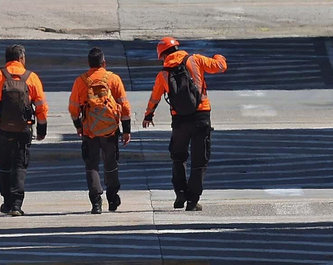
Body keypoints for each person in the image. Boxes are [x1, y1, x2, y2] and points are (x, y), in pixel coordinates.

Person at [142, 36, 227, 211]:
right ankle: (193, 201)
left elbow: (155, 97)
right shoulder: (195, 60)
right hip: (201, 116)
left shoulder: (163, 74)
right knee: (199, 160)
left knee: (178, 157)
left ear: (163, 56)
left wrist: (148, 115)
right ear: (177, 48)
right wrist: (220, 56)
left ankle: (180, 194)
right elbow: (220, 66)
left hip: (179, 120)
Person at [0, 44, 48, 216]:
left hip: (2, 129)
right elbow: (41, 106)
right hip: (23, 129)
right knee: (19, 165)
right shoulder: (32, 78)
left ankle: (6, 202)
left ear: (6, 59)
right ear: (21, 58)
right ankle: (17, 204)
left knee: (3, 166)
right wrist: (42, 128)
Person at [68, 46, 133, 214]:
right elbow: (124, 106)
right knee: (111, 163)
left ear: (88, 63)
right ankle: (112, 198)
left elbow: (73, 108)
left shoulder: (80, 81)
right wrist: (126, 130)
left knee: (92, 166)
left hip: (89, 130)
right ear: (104, 63)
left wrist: (78, 127)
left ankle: (96, 203)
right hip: (110, 130)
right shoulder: (114, 79)